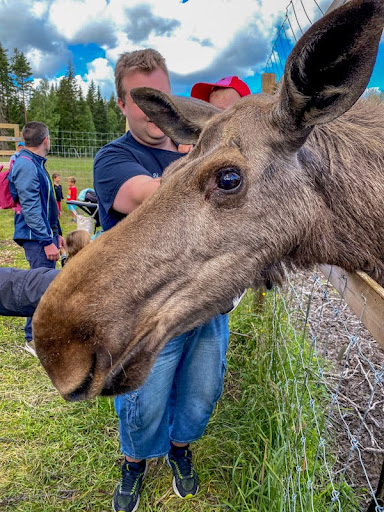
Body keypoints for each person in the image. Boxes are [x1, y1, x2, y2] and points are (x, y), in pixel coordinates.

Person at [93, 48, 230, 512]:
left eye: (161, 98)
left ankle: (180, 450)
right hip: (145, 312)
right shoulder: (115, 158)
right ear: (121, 104)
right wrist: (214, 165)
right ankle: (134, 461)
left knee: (202, 390)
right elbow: (148, 197)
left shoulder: (196, 148)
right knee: (142, 398)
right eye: (140, 98)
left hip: (206, 305)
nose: (154, 111)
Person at [8, 121, 64, 357]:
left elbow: (48, 203)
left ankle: (42, 331)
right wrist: (46, 240)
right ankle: (33, 338)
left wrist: (57, 232)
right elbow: (31, 208)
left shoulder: (36, 164)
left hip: (44, 233)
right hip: (36, 237)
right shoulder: (27, 166)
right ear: (46, 140)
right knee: (39, 285)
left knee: (45, 280)